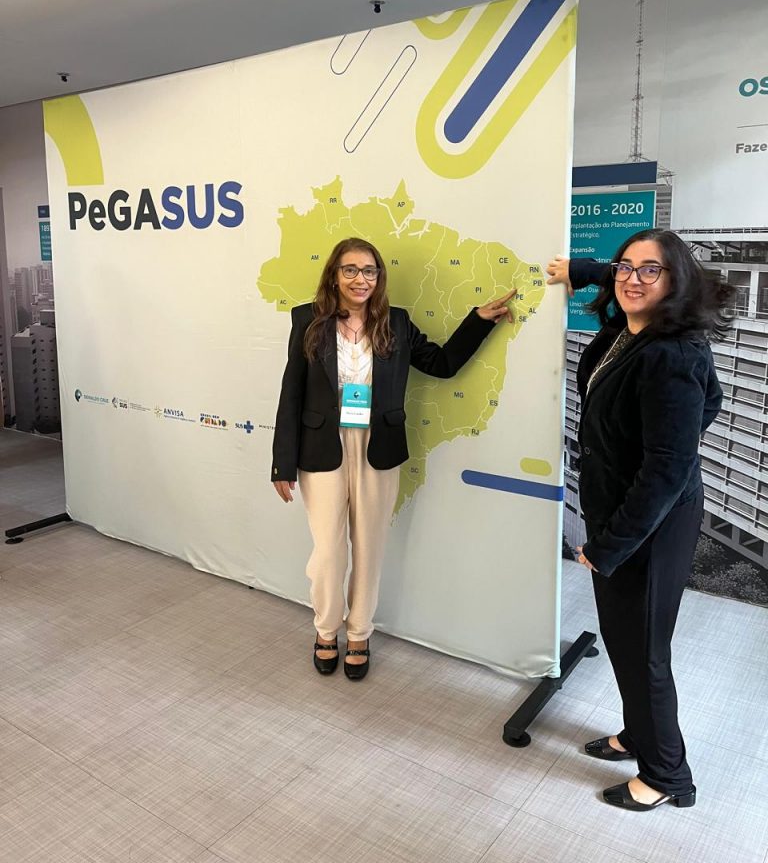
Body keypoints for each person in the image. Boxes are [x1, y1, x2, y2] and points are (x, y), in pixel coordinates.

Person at [546, 229, 732, 812]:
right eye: (625, 266)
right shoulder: (631, 330)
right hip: (626, 513)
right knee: (625, 641)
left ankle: (667, 775)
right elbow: (711, 402)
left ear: (675, 281)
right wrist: (581, 268)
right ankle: (637, 735)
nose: (631, 278)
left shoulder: (671, 355)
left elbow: (667, 470)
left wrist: (609, 546)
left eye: (650, 270)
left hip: (650, 525)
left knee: (644, 652)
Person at [272, 237, 515, 680]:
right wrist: (281, 463)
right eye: (350, 270)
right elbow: (292, 391)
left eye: (369, 271)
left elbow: (442, 364)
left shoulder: (395, 322)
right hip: (321, 447)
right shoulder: (308, 320)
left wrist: (478, 322)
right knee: (328, 552)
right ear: (334, 275)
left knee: (369, 547)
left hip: (378, 447)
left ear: (378, 277)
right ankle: (326, 629)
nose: (360, 279)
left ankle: (359, 633)